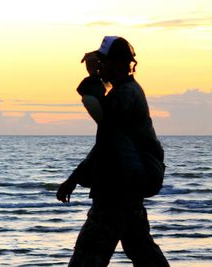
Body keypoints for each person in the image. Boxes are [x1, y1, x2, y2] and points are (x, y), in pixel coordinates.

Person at [56, 36, 170, 266]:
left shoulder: (126, 94)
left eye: (103, 62)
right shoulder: (125, 91)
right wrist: (74, 178)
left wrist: (92, 79)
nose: (100, 67)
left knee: (86, 258)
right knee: (143, 250)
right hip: (127, 186)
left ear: (118, 63)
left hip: (118, 188)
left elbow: (105, 119)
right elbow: (107, 144)